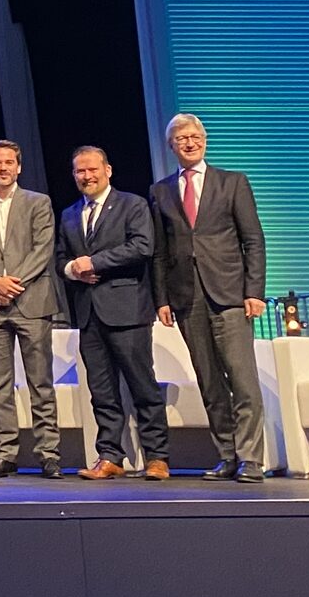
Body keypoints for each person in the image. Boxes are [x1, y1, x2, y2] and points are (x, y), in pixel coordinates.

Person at [152, 113, 268, 481]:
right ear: (171, 146)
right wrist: (162, 298)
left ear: (204, 141)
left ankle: (251, 458)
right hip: (187, 297)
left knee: (242, 379)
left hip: (230, 293)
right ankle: (228, 455)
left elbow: (253, 240)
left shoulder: (232, 182)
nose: (189, 143)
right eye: (181, 138)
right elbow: (160, 252)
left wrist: (254, 291)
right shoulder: (160, 191)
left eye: (195, 136)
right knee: (210, 381)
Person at [58, 146, 170, 480]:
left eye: (92, 169)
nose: (86, 176)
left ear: (107, 170)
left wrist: (94, 263)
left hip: (127, 310)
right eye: (80, 171)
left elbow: (142, 247)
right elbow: (61, 257)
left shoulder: (132, 204)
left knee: (142, 387)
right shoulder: (69, 214)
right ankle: (110, 456)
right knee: (102, 392)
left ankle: (157, 457)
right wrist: (72, 270)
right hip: (88, 314)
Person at [0, 139, 62, 478]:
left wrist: (12, 284)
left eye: (9, 162)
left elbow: (43, 249)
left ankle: (48, 454)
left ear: (18, 167)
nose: (3, 168)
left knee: (40, 382)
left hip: (31, 302)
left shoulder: (38, 202)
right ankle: (5, 455)